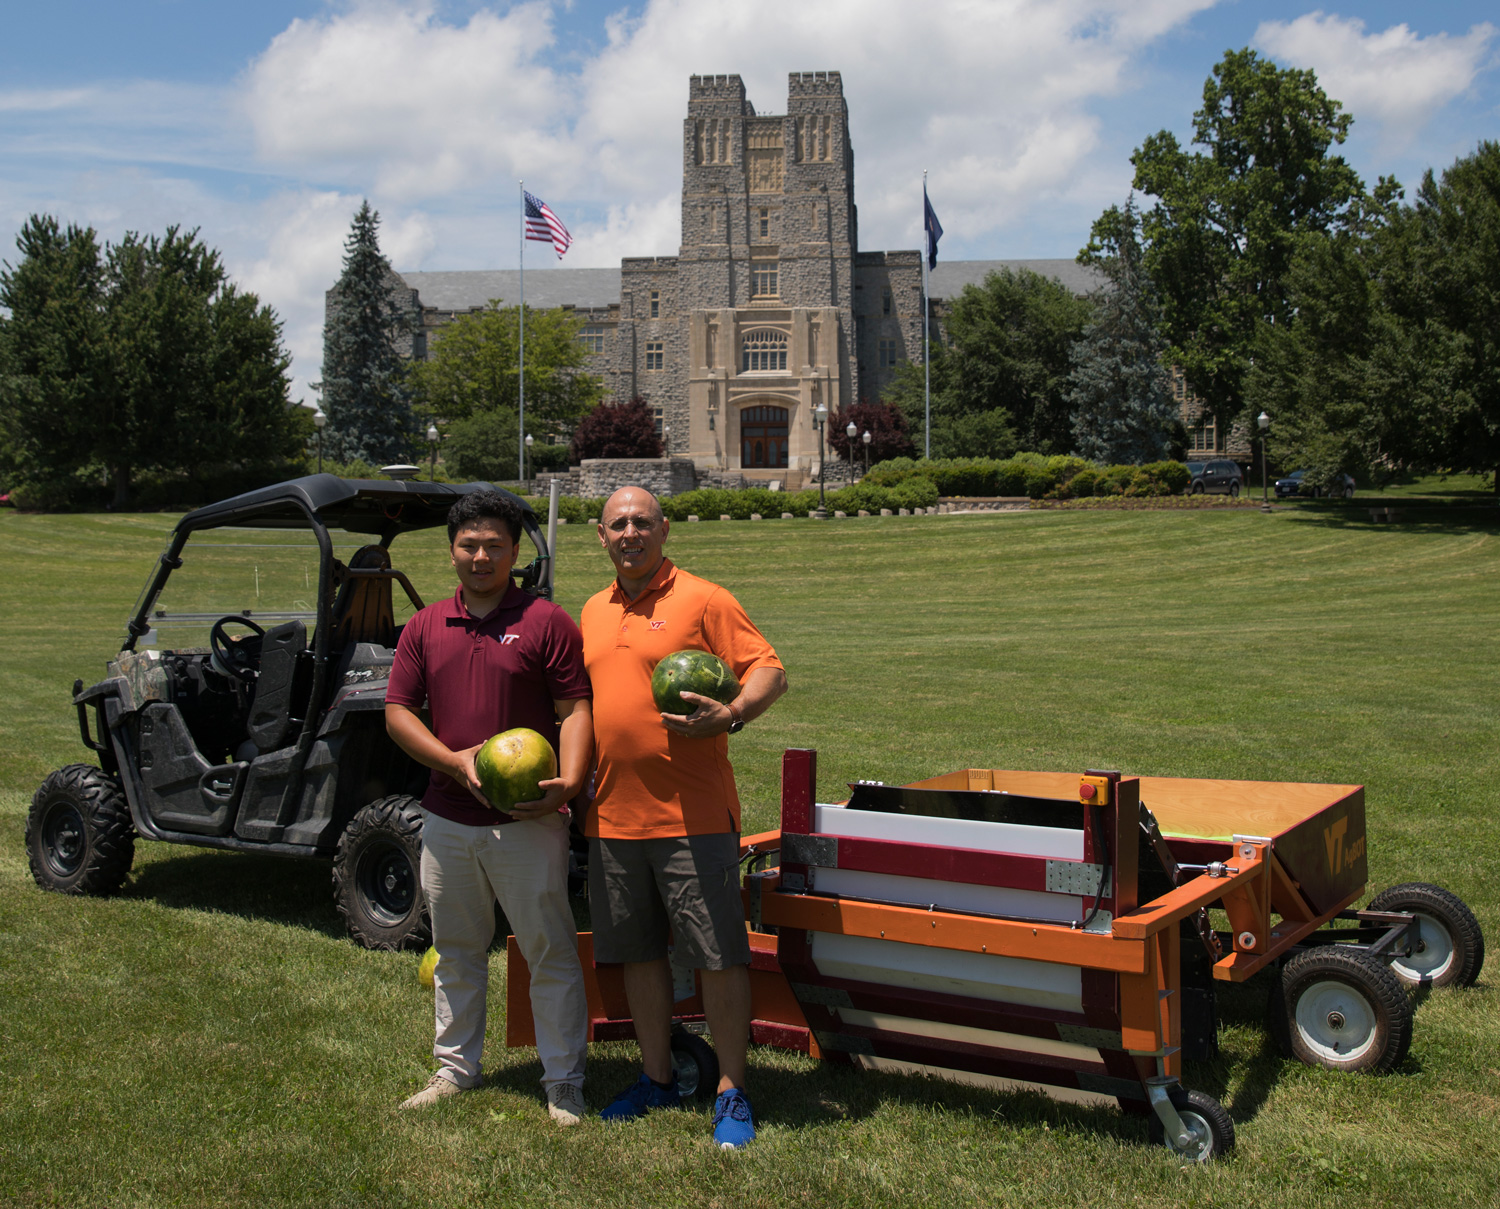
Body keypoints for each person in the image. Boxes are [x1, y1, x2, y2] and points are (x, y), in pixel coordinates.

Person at [581, 486, 787, 1149]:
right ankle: (656, 1075)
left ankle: (731, 1090)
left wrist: (732, 713)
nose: (632, 532)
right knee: (638, 954)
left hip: (691, 816)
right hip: (612, 817)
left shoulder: (703, 598)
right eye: (620, 524)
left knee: (719, 955)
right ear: (602, 536)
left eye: (644, 521)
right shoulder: (590, 609)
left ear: (665, 529)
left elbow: (769, 670)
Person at [385, 490, 592, 1126]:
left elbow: (575, 710)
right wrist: (454, 763)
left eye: (494, 546)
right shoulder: (423, 625)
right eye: (469, 545)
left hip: (527, 821)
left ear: (513, 551)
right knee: (455, 949)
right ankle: (455, 1068)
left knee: (547, 949)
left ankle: (563, 1080)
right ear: (452, 550)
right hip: (447, 818)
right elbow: (397, 712)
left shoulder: (545, 621)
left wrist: (571, 780)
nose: (480, 556)